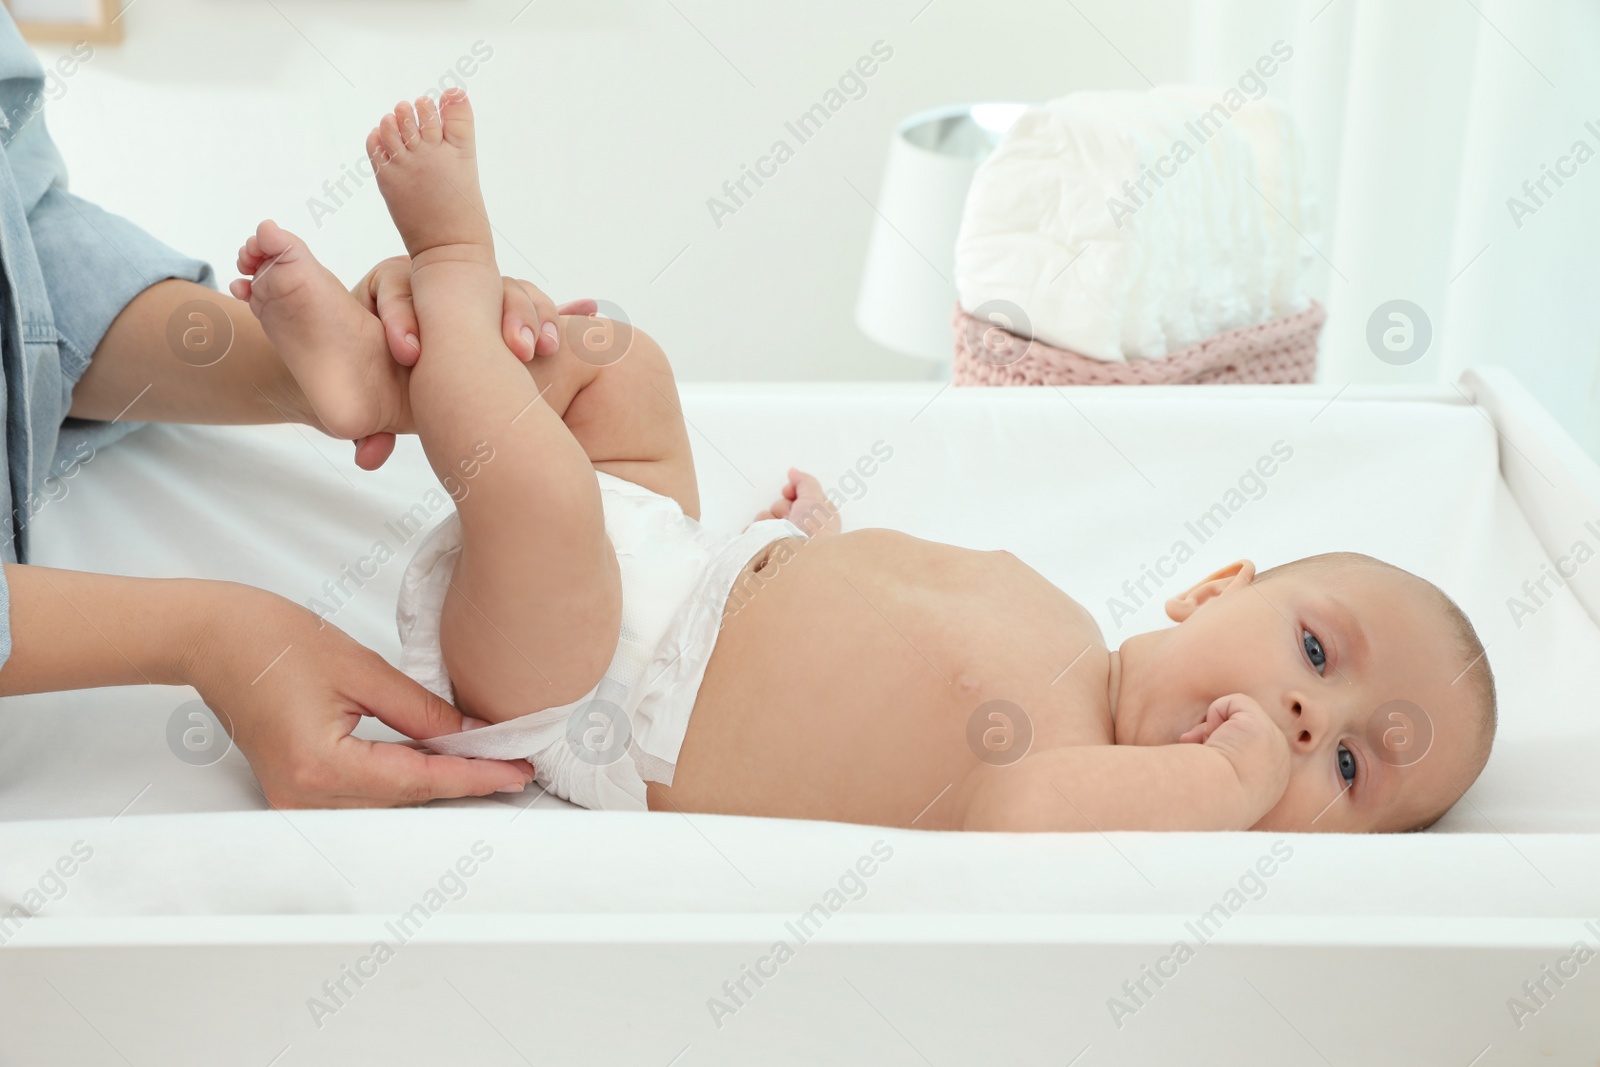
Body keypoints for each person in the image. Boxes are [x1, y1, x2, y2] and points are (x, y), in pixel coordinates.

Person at [237, 88, 1498, 832]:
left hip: (596, 689)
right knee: (625, 365)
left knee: (541, 499)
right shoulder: (1060, 623)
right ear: (1214, 587)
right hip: (694, 575)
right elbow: (888, 638)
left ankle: (450, 269)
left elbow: (1014, 814)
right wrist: (811, 552)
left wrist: (1223, 790)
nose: (1301, 717)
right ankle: (379, 370)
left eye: (1345, 763)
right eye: (1318, 655)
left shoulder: (1104, 794)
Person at [0, 10, 603, 807]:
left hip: (720, 592)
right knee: (547, 488)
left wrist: (311, 367)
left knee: (610, 360)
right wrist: (210, 638)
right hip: (629, 678)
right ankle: (453, 264)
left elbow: (23, 267)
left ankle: (382, 368)